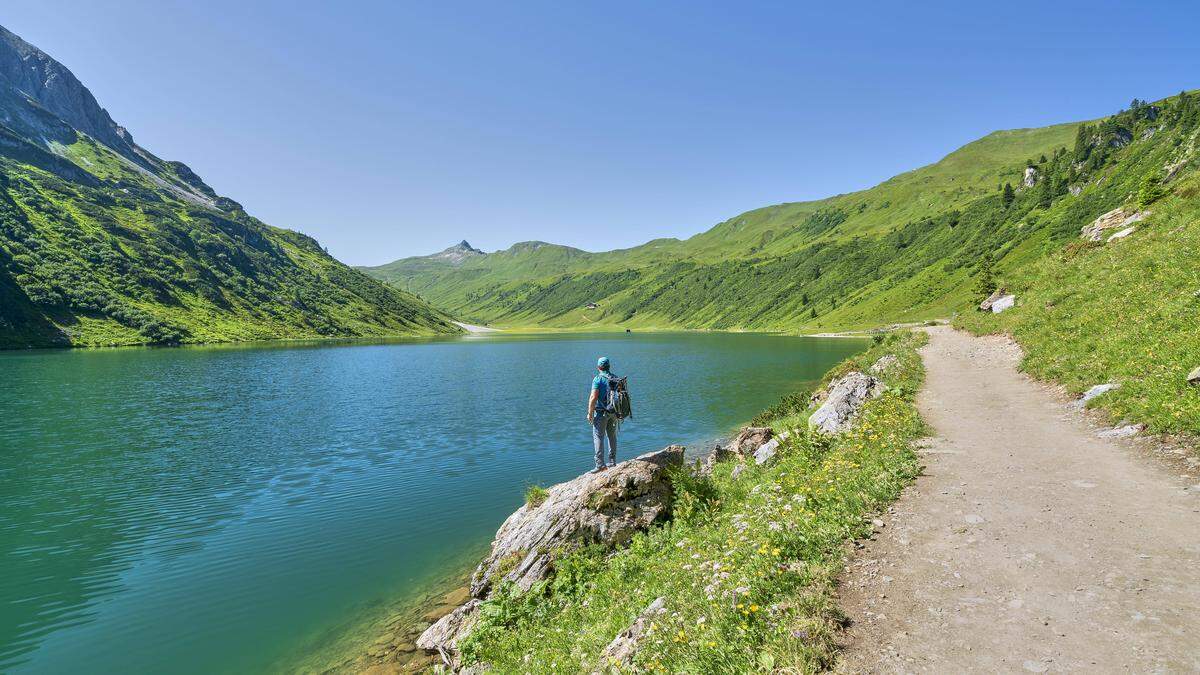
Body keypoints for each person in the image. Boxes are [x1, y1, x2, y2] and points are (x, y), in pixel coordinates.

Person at [587, 356, 619, 472]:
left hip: (601, 413)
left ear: (598, 367)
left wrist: (590, 413)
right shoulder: (615, 378)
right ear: (609, 366)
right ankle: (612, 461)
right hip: (614, 413)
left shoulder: (597, 379)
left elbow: (593, 397)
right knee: (612, 436)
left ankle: (600, 464)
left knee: (598, 437)